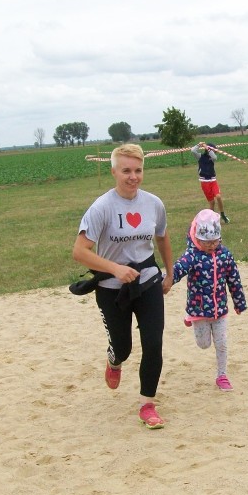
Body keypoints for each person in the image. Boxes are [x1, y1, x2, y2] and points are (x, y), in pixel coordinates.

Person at [72, 143, 174, 429]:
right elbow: (79, 251)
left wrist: (169, 272)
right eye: (126, 170)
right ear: (114, 171)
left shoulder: (153, 203)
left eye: (138, 170)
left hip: (148, 280)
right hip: (112, 287)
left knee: (154, 343)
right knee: (123, 348)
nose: (133, 177)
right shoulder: (102, 207)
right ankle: (114, 361)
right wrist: (115, 268)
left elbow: (162, 237)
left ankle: (147, 404)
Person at [171, 209, 247, 391]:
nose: (212, 246)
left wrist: (239, 302)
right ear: (197, 239)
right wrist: (166, 279)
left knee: (221, 344)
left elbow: (234, 279)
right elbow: (179, 269)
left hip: (219, 310)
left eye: (215, 241)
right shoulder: (192, 256)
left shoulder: (225, 255)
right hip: (198, 310)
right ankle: (189, 318)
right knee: (204, 344)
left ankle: (222, 375)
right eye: (207, 242)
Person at [190, 141, 229, 223]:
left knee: (218, 196)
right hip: (204, 182)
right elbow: (193, 151)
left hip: (213, 180)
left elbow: (215, 157)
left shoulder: (212, 157)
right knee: (212, 202)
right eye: (213, 149)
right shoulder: (200, 156)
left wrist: (207, 148)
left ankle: (222, 214)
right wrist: (199, 144)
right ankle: (211, 219)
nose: (214, 151)